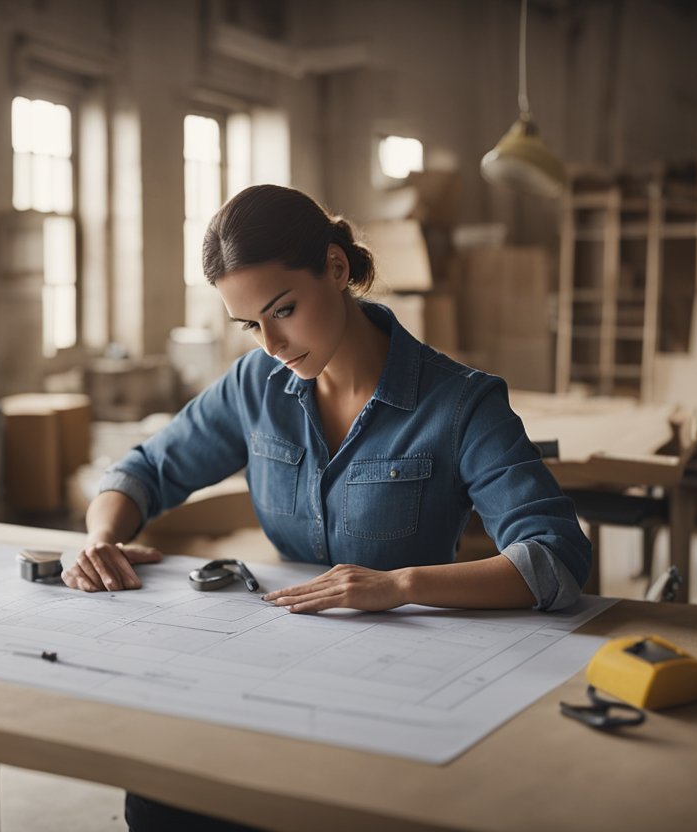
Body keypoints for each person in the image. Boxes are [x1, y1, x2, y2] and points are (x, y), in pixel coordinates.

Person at [64, 184, 592, 830]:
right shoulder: (254, 386)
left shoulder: (461, 403)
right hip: (275, 670)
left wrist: (397, 586)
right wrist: (101, 538)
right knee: (157, 796)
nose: (272, 344)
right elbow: (141, 470)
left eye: (283, 310)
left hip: (405, 687)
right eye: (249, 325)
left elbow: (557, 560)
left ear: (337, 269)